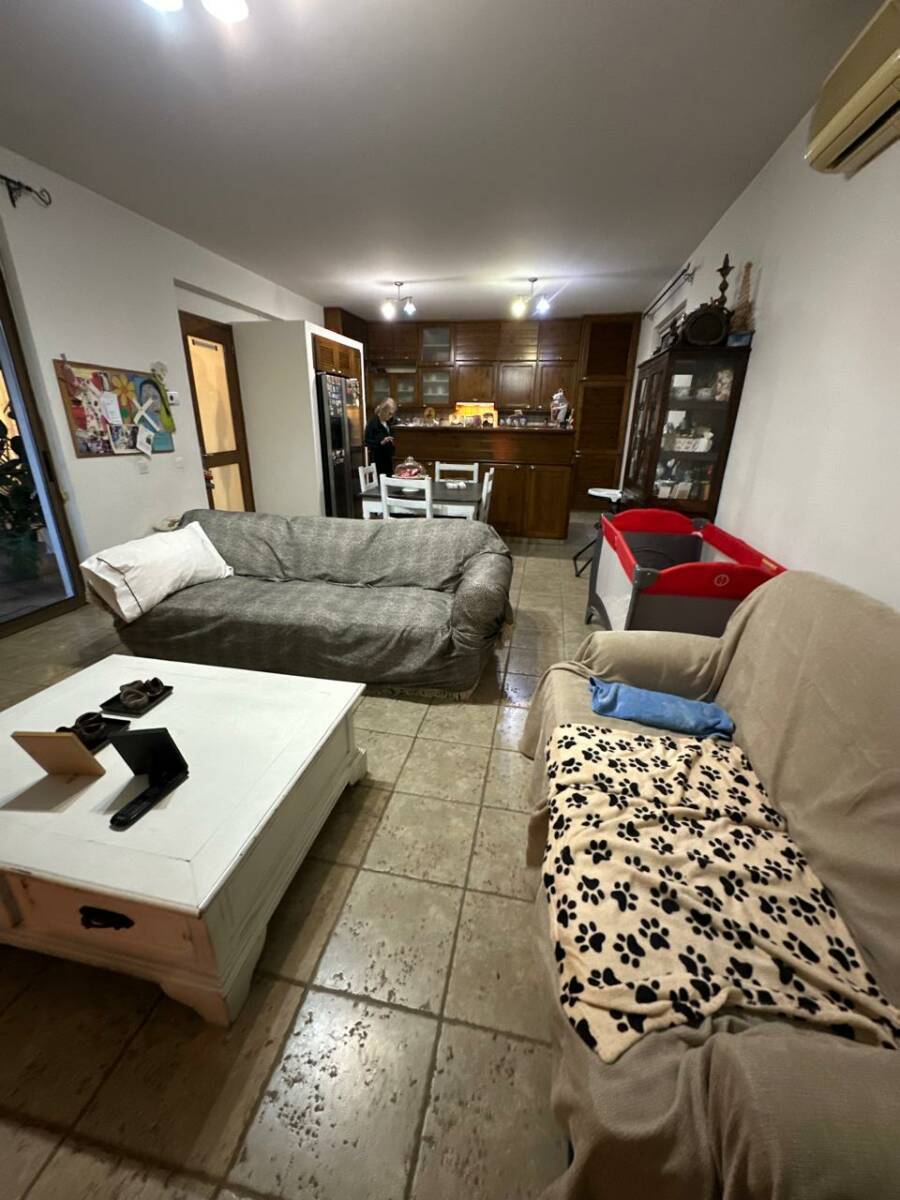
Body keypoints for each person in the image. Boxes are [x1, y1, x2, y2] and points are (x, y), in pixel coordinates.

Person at [364, 397, 397, 478]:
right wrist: (381, 442)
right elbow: (366, 441)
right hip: (378, 460)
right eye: (389, 413)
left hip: (389, 459)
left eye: (392, 414)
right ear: (383, 411)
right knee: (381, 482)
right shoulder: (373, 423)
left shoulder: (389, 422)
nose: (391, 416)